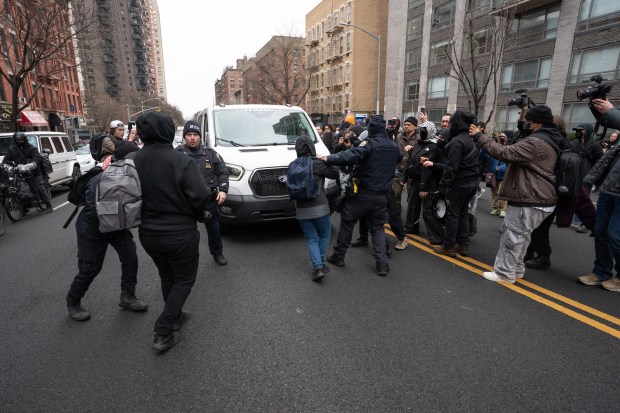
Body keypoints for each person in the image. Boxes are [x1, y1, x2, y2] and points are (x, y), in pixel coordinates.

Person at [133, 112, 211, 352]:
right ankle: (163, 330)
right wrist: (199, 213)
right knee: (184, 280)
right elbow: (201, 195)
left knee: (167, 276)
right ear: (168, 131)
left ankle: (174, 315)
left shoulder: (133, 159)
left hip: (148, 233)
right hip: (180, 233)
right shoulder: (180, 160)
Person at [473, 105, 562, 283]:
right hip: (540, 198)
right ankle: (516, 269)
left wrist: (480, 136)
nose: (525, 124)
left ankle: (504, 273)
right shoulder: (549, 138)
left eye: (528, 121)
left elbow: (505, 152)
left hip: (529, 197)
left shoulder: (535, 143)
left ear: (538, 123)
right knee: (522, 236)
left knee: (512, 236)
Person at [65, 143, 147, 322]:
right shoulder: (102, 176)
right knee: (90, 268)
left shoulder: (130, 173)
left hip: (116, 226)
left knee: (130, 258)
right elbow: (92, 210)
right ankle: (73, 300)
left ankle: (127, 296)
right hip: (93, 229)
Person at [321, 116, 402, 276]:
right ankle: (382, 265)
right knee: (378, 228)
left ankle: (339, 256)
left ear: (370, 130)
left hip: (363, 193)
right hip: (382, 196)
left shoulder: (369, 145)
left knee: (348, 222)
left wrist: (329, 158)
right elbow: (399, 159)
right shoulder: (393, 146)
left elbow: (350, 155)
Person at [524, 115, 596, 270]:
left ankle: (543, 256)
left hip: (551, 192)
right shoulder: (562, 143)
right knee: (535, 225)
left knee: (539, 225)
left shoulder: (558, 145)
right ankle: (530, 251)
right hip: (549, 190)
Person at [577, 98, 620, 292]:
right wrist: (600, 111)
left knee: (615, 235)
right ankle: (601, 272)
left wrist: (611, 111)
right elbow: (608, 123)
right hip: (610, 188)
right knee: (600, 231)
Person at [177, 121, 229, 266]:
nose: (192, 138)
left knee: (214, 230)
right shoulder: (178, 154)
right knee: (187, 233)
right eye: (189, 135)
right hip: (187, 203)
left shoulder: (211, 154)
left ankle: (217, 253)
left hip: (209, 201)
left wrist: (223, 190)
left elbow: (223, 172)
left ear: (200, 137)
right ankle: (187, 259)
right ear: (184, 137)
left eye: (195, 135)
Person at [432, 110, 480, 258]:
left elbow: (451, 168)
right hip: (473, 182)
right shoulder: (471, 139)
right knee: (463, 213)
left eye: (451, 123)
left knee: (453, 214)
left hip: (460, 183)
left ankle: (449, 246)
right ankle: (463, 244)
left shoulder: (456, 141)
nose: (449, 126)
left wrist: (442, 187)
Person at [293, 135, 339, 281]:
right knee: (324, 235)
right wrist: (326, 159)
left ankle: (318, 267)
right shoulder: (317, 163)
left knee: (312, 238)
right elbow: (335, 173)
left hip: (301, 208)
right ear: (311, 148)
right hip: (320, 206)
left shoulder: (292, 165)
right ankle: (320, 265)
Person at [403, 117, 438, 236]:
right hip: (415, 180)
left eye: (424, 130)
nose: (422, 133)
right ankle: (411, 227)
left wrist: (424, 187)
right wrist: (404, 177)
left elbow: (428, 168)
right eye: (421, 130)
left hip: (427, 182)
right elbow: (411, 162)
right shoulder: (419, 144)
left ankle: (434, 235)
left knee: (427, 210)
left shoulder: (434, 147)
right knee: (412, 206)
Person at [2, 131, 53, 212]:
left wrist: (29, 166)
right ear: (15, 140)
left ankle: (48, 205)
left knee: (39, 187)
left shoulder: (32, 148)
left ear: (24, 139)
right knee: (16, 187)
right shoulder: (12, 149)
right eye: (18, 140)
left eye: (21, 140)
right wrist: (6, 166)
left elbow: (36, 159)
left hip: (34, 172)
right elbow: (6, 160)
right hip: (19, 172)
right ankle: (24, 208)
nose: (20, 141)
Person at [480, 131, 509, 217]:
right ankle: (495, 208)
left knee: (502, 193)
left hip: (504, 175)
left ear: (507, 138)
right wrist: (486, 145)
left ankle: (503, 209)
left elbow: (509, 164)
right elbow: (484, 155)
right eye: (500, 136)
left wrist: (500, 168)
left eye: (503, 137)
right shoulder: (494, 150)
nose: (501, 138)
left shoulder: (508, 149)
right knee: (494, 193)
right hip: (493, 175)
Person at [395, 116, 418, 219]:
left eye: (409, 125)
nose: (406, 126)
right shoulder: (399, 136)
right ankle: (395, 218)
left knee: (411, 197)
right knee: (396, 194)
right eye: (405, 124)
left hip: (412, 170)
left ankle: (411, 220)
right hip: (399, 168)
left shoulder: (419, 137)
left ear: (415, 126)